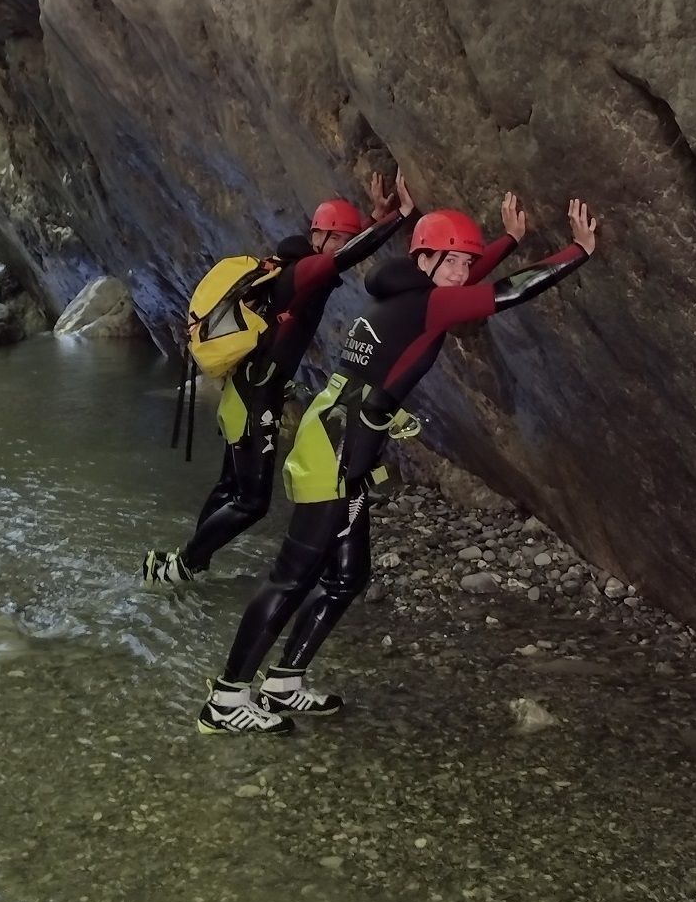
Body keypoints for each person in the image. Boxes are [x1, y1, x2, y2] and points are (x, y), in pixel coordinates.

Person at [197, 193, 599, 734]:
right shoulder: (426, 302)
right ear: (423, 260)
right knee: (292, 578)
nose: (459, 269)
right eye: (449, 259)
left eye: (463, 259)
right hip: (334, 451)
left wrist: (508, 240)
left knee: (346, 576)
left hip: (343, 442)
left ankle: (283, 682)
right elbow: (503, 293)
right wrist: (578, 250)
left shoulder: (409, 294)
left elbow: (466, 282)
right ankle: (226, 699)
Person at [143, 170, 415, 588]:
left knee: (230, 484)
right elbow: (346, 257)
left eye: (347, 237)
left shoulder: (292, 268)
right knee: (251, 502)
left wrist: (375, 220)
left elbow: (342, 253)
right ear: (318, 238)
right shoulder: (301, 272)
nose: (342, 246)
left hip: (249, 390)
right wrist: (398, 219)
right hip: (256, 397)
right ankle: (179, 568)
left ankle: (192, 562)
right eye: (338, 238)